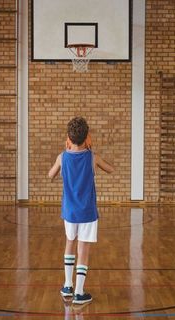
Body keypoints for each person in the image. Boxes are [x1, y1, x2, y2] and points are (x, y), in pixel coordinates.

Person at [48, 117, 114, 305]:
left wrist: (64, 153)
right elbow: (111, 169)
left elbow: (50, 175)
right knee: (83, 249)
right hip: (87, 211)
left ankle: (67, 286)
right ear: (87, 137)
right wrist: (91, 151)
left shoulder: (62, 157)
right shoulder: (93, 157)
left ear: (68, 138)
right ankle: (79, 292)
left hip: (69, 211)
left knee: (70, 243)